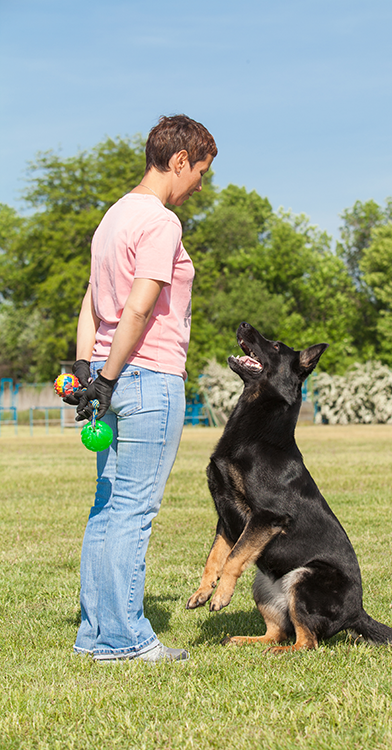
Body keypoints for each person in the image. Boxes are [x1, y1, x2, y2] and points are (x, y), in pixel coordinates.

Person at [66, 114, 217, 663]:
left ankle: (96, 636)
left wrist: (86, 368)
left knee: (108, 507)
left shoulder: (112, 218)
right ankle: (127, 639)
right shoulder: (160, 222)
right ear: (179, 161)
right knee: (132, 509)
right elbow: (139, 304)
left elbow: (91, 299)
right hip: (148, 377)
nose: (201, 183)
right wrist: (104, 379)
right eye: (201, 170)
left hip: (111, 373)